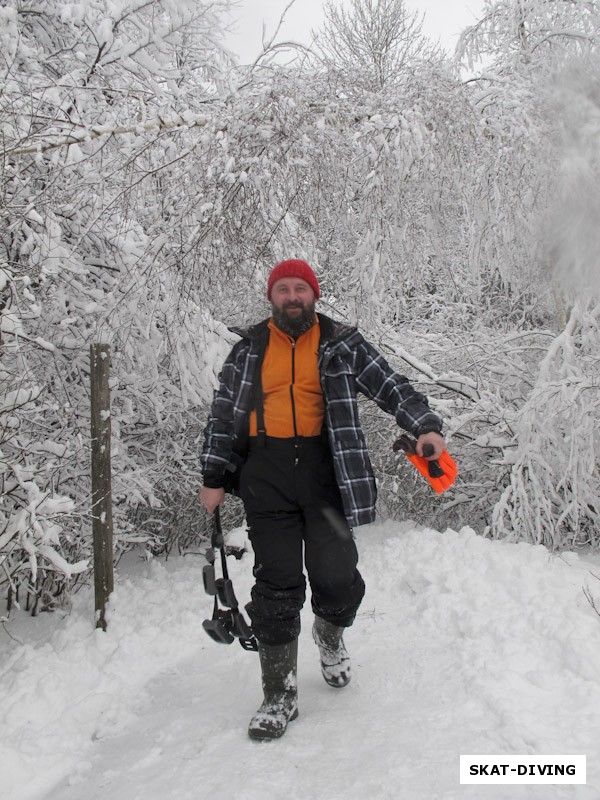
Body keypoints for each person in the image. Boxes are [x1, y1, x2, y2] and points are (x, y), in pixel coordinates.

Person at [199, 258, 445, 741]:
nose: (293, 297)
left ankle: (329, 635)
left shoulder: (342, 344)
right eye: (284, 289)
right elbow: (223, 415)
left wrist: (425, 426)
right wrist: (212, 475)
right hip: (265, 474)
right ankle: (279, 692)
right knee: (277, 581)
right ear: (272, 297)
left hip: (325, 469)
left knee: (336, 572)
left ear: (314, 296)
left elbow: (391, 385)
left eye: (301, 290)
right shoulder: (247, 351)